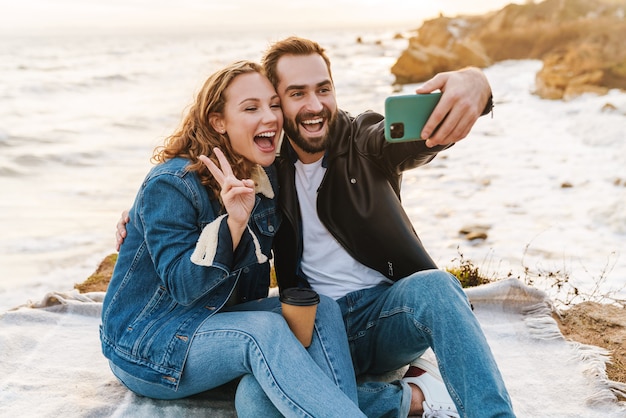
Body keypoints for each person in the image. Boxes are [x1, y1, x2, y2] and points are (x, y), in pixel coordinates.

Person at [117, 38, 515, 417]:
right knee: (254, 402)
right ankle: (409, 399)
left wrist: (475, 83)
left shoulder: (365, 141)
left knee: (438, 287)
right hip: (310, 330)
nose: (314, 105)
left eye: (323, 89)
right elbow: (191, 179)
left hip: (382, 318)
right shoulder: (265, 166)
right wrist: (142, 216)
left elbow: (418, 139)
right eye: (295, 94)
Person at [101, 60, 366, 418]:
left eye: (274, 104)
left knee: (320, 311)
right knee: (266, 330)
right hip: (149, 344)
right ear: (218, 121)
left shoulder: (265, 171)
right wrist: (233, 225)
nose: (270, 116)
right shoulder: (172, 184)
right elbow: (183, 286)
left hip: (221, 328)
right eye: (251, 108)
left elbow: (330, 136)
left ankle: (369, 405)